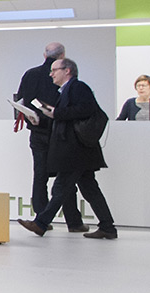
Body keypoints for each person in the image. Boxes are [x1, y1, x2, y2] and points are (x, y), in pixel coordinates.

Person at [17, 58, 116, 240]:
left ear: (67, 71)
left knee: (61, 188)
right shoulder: (67, 91)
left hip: (76, 150)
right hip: (78, 150)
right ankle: (108, 227)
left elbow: (85, 110)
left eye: (54, 70)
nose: (51, 74)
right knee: (90, 189)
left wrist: (56, 112)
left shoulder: (78, 87)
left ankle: (41, 223)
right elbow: (69, 116)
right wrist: (41, 119)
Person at [14, 42, 83, 232]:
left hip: (37, 131)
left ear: (44, 55)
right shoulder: (64, 78)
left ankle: (41, 217)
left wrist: (31, 117)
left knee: (40, 176)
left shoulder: (30, 74)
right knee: (65, 176)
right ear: (63, 56)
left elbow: (21, 100)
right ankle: (73, 221)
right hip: (59, 132)